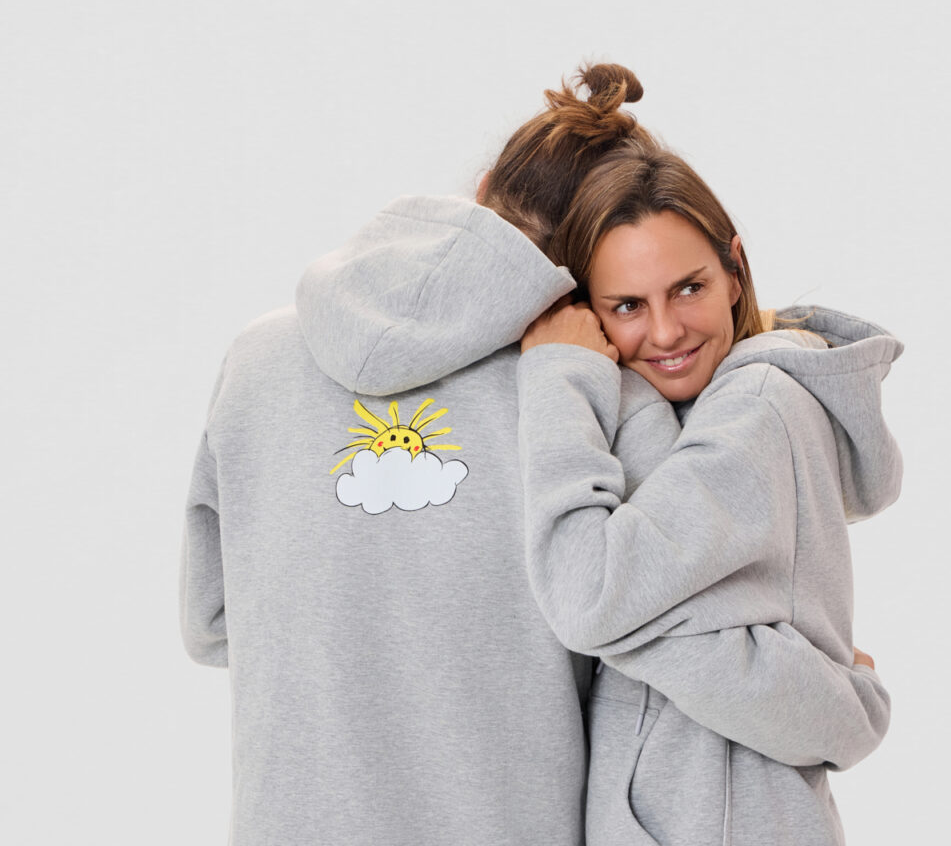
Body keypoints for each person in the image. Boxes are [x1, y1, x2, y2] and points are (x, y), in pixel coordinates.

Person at [180, 65, 891, 846]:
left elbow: (210, 623)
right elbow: (665, 636)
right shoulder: (601, 398)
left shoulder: (254, 361)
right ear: (588, 273)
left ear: (482, 192)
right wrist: (842, 695)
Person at [518, 139, 902, 845]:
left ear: (735, 271)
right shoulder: (708, 411)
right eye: (628, 305)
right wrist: (834, 699)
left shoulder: (756, 408)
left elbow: (585, 595)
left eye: (688, 288)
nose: (666, 332)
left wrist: (558, 377)